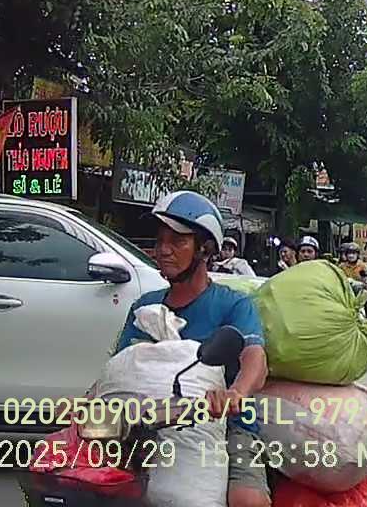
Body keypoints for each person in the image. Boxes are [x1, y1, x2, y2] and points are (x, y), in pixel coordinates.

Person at [113, 191, 271, 507]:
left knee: (247, 501)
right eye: (159, 240)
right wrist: (89, 399)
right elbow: (120, 366)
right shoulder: (145, 308)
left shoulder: (233, 304)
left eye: (177, 241)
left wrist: (235, 393)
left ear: (205, 249)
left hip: (227, 425)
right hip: (145, 427)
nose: (163, 250)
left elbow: (255, 358)